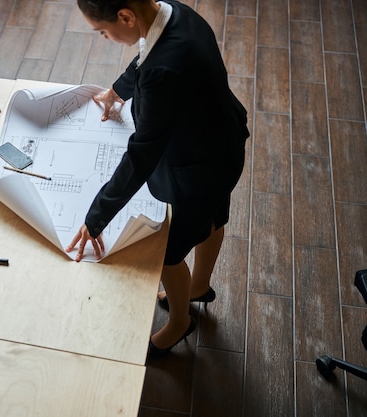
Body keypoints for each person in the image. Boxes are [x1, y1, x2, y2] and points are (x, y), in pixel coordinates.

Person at [66, 0, 250, 357]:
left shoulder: (162, 72)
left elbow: (142, 154)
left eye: (102, 31)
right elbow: (147, 56)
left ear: (126, 16)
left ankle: (180, 323)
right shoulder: (175, 13)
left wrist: (96, 217)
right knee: (211, 220)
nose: (104, 38)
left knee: (167, 253)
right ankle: (198, 286)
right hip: (222, 143)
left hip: (198, 168)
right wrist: (120, 89)